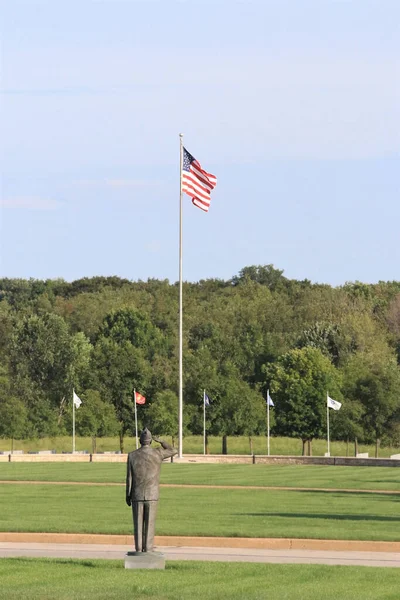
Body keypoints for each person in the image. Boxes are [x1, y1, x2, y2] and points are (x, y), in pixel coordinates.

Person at [125, 428, 177, 552]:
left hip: (137, 494)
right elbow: (173, 450)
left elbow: (129, 478)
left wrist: (128, 495)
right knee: (149, 524)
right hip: (152, 494)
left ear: (140, 440)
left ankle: (138, 549)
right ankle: (148, 549)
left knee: (138, 525)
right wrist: (162, 441)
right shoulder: (158, 453)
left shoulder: (132, 455)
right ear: (150, 441)